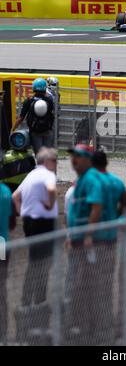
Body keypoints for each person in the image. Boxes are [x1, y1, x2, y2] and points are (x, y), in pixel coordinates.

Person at [66, 144, 115, 345]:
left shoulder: (90, 182)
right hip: (83, 242)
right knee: (84, 285)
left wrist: (87, 236)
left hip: (91, 244)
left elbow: (95, 209)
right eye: (72, 157)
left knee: (86, 285)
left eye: (78, 157)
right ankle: (86, 326)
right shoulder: (81, 183)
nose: (73, 161)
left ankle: (94, 329)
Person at [12, 148, 58, 307]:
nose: (56, 163)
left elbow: (15, 196)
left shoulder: (31, 174)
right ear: (46, 161)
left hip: (29, 222)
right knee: (43, 261)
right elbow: (51, 190)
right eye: (54, 160)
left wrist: (21, 212)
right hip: (43, 222)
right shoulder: (48, 174)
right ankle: (39, 299)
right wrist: (50, 204)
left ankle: (26, 299)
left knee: (34, 260)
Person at [12, 78, 55, 155]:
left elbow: (21, 118)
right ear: (45, 88)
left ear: (33, 88)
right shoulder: (49, 100)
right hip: (48, 131)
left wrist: (13, 128)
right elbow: (52, 115)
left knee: (39, 155)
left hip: (35, 132)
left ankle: (39, 166)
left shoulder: (29, 100)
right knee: (48, 155)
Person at [92, 149, 126, 216]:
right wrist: (117, 214)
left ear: (91, 163)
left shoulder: (89, 182)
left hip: (94, 225)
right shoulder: (118, 182)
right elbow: (125, 203)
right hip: (112, 222)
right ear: (107, 162)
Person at [0, 182, 15, 343]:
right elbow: (12, 223)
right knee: (1, 290)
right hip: (3, 243)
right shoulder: (5, 190)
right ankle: (3, 331)